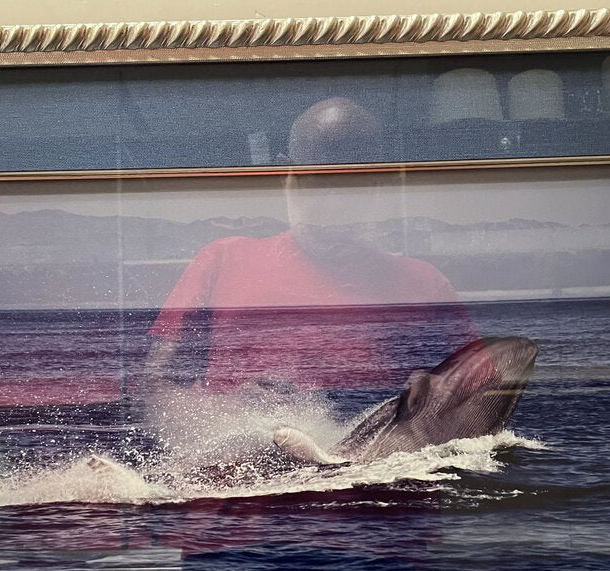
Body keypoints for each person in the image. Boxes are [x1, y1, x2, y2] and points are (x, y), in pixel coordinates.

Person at [143, 97, 471, 394]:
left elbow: (484, 398)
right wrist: (234, 416)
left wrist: (435, 404)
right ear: (286, 173)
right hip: (235, 455)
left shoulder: (425, 284)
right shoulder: (222, 259)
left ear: (378, 183)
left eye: (349, 187)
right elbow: (155, 388)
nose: (331, 205)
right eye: (316, 183)